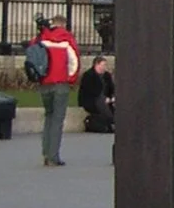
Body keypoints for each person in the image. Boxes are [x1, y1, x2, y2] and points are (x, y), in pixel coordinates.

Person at [32, 13, 80, 168]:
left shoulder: (41, 38)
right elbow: (74, 62)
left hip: (44, 83)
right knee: (58, 120)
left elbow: (33, 56)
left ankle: (45, 152)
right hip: (60, 83)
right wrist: (71, 79)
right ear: (64, 24)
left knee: (48, 116)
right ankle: (54, 156)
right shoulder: (67, 39)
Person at [77, 55, 116, 134]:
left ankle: (112, 121)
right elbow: (90, 90)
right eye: (103, 65)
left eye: (105, 65)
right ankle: (111, 120)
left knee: (108, 103)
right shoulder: (88, 75)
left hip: (105, 99)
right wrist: (104, 98)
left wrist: (112, 96)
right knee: (101, 101)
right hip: (91, 100)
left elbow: (111, 88)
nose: (104, 67)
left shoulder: (107, 75)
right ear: (96, 65)